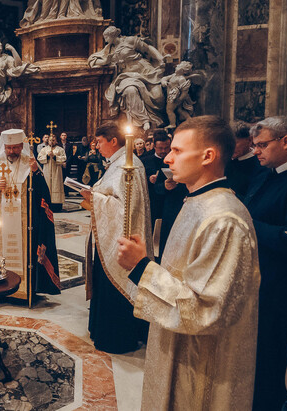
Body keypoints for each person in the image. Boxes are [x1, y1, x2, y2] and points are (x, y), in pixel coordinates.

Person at [117, 115, 260, 410]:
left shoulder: (224, 220)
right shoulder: (196, 201)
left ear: (208, 155)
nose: (168, 158)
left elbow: (206, 309)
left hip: (202, 364)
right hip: (177, 345)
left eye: (178, 151)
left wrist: (143, 266)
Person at [242, 116, 287, 410]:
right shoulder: (267, 172)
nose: (256, 151)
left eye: (262, 145)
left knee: (276, 366)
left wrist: (247, 223)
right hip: (261, 284)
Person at [80, 122, 151, 354]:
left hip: (120, 240)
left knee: (117, 285)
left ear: (113, 141)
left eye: (99, 142)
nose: (96, 146)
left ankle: (116, 337)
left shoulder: (128, 165)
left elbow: (126, 209)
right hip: (109, 237)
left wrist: (95, 198)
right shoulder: (118, 163)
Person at [0, 129, 61, 302]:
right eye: (9, 148)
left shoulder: (30, 165)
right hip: (0, 224)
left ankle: (27, 288)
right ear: (4, 147)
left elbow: (43, 195)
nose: (12, 151)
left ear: (22, 146)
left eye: (15, 148)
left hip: (26, 224)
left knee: (27, 254)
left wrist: (36, 173)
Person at [225, 121, 261, 199]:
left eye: (235, 143)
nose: (230, 147)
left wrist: (233, 195)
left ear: (250, 140)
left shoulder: (260, 164)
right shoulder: (225, 160)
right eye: (228, 143)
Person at [38, 134, 67, 211]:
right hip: (47, 170)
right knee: (47, 185)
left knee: (57, 186)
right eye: (50, 140)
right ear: (48, 141)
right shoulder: (44, 150)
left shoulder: (60, 149)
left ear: (56, 141)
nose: (51, 142)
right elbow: (39, 158)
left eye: (53, 140)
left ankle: (57, 206)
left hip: (57, 171)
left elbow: (64, 158)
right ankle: (47, 203)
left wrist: (54, 156)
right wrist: (47, 156)